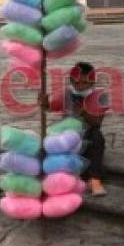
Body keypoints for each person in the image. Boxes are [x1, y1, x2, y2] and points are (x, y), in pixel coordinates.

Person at [47, 62, 110, 196]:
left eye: (84, 83)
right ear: (71, 80)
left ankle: (95, 180)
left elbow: (97, 123)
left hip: (86, 137)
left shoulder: (102, 96)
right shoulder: (66, 92)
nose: (80, 86)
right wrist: (44, 103)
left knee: (97, 136)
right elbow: (49, 107)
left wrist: (83, 112)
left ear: (92, 82)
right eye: (76, 82)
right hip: (66, 137)